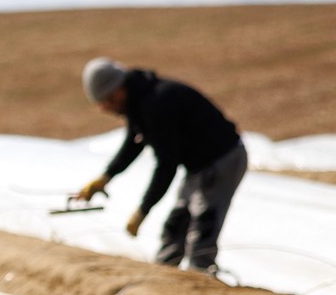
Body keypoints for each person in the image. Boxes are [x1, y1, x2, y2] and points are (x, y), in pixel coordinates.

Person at [73, 57, 247, 275]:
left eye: (104, 102)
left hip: (222, 161)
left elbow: (167, 165)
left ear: (115, 92)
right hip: (197, 166)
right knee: (176, 226)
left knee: (203, 227)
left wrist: (143, 210)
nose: (102, 109)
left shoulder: (157, 103)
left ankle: (201, 280)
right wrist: (106, 177)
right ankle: (163, 276)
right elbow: (133, 142)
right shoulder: (139, 101)